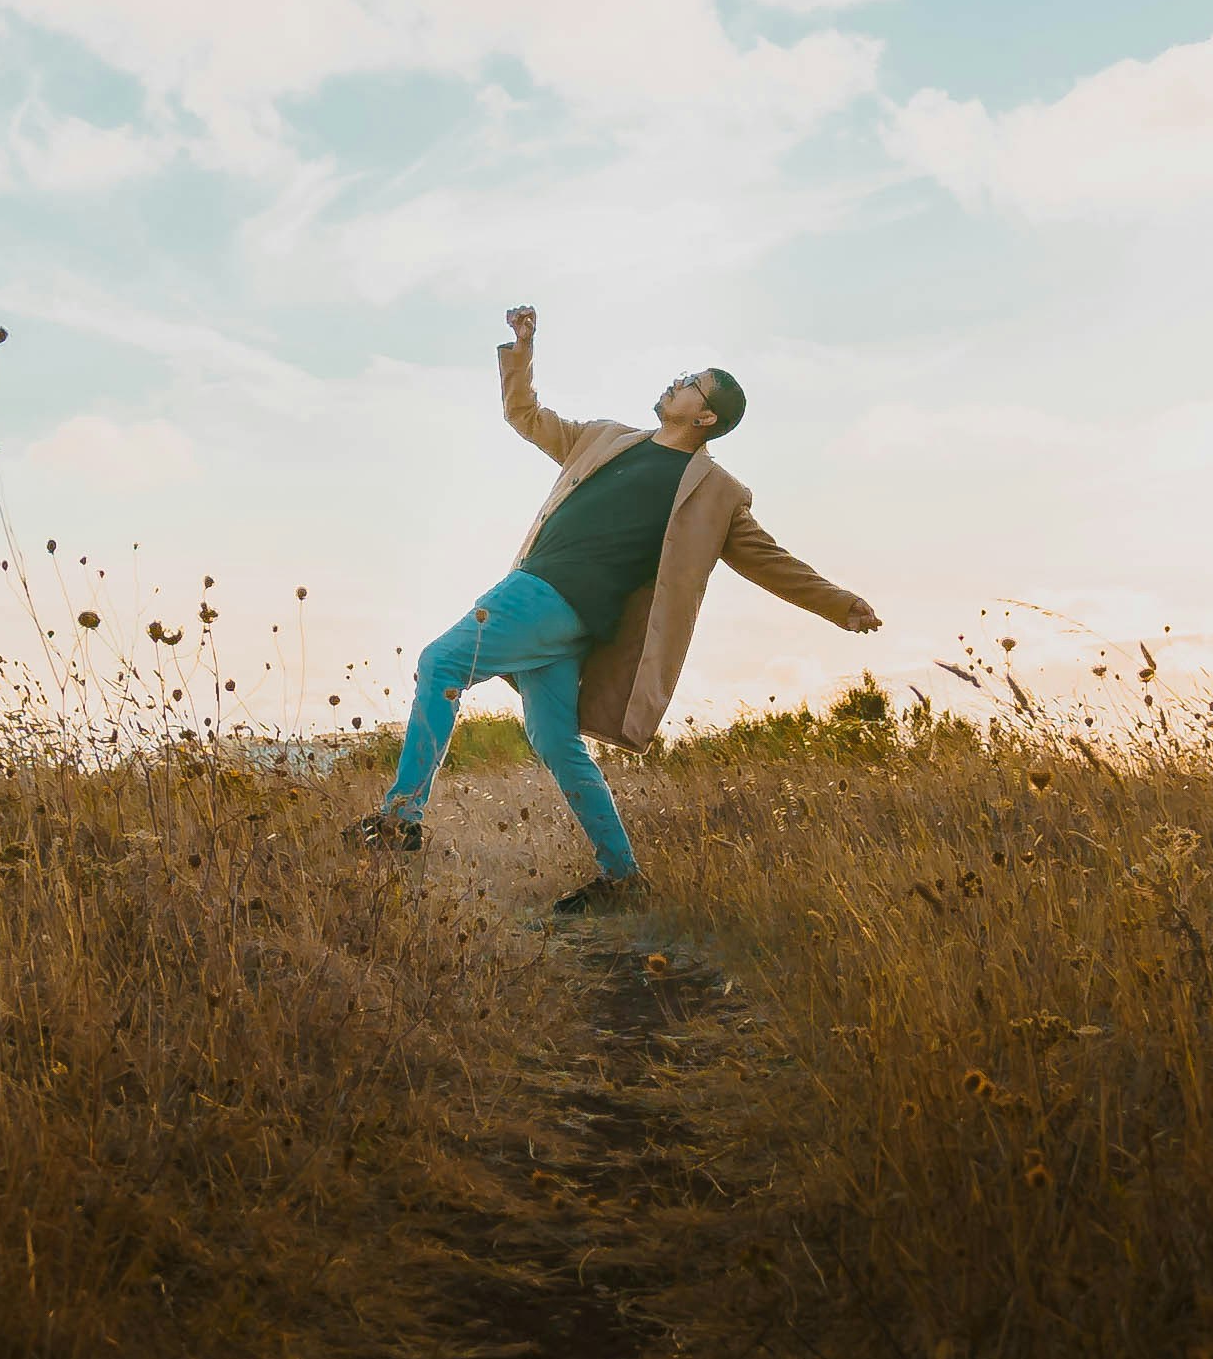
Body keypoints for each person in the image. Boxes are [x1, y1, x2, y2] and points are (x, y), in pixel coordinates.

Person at [349, 304, 880, 913]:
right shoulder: (602, 438)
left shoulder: (718, 493)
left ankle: (399, 820)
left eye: (690, 384)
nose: (676, 382)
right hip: (546, 600)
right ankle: (623, 877)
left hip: (550, 598)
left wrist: (842, 606)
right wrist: (522, 348)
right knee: (556, 742)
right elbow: (524, 415)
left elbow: (768, 560)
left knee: (440, 664)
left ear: (704, 416)